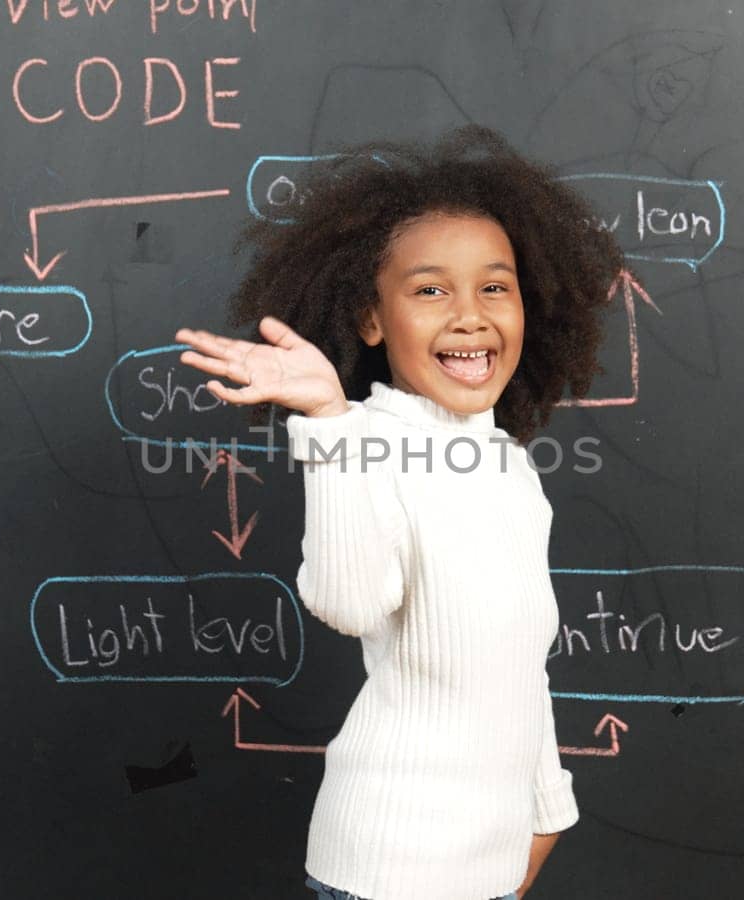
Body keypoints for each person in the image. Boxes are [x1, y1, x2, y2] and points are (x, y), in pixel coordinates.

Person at [174, 125, 624, 900]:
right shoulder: (363, 438)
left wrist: (549, 813)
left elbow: (520, 671)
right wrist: (326, 420)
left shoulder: (510, 465)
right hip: (389, 872)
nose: (470, 316)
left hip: (491, 867)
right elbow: (348, 603)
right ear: (371, 320)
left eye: (495, 286)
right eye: (429, 290)